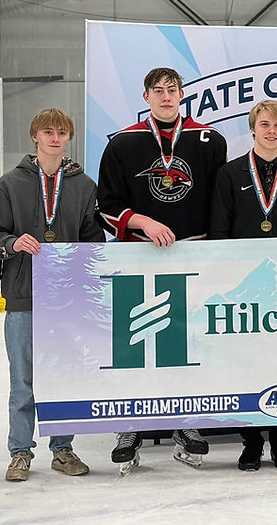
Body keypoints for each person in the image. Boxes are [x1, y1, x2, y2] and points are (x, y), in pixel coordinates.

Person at [97, 67, 227, 473]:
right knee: (137, 343)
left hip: (193, 255)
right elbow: (106, 203)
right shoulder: (123, 142)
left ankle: (185, 421)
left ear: (182, 94)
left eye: (173, 90)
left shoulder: (209, 140)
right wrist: (142, 222)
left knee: (188, 343)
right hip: (139, 255)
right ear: (146, 95)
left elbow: (219, 200)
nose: (166, 96)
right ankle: (131, 424)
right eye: (159, 90)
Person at [0, 108, 105, 481]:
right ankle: (20, 451)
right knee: (23, 380)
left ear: (69, 137)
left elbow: (93, 240)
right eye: (47, 132)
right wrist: (12, 242)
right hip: (24, 294)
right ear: (35, 136)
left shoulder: (84, 185)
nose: (55, 138)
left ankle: (62, 449)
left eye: (61, 132)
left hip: (67, 301)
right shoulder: (10, 184)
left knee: (64, 376)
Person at [211, 100, 277, 472]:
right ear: (252, 129)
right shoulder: (230, 173)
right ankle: (250, 443)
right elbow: (220, 230)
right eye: (264, 124)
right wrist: (224, 279)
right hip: (243, 285)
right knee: (245, 363)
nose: (271, 131)